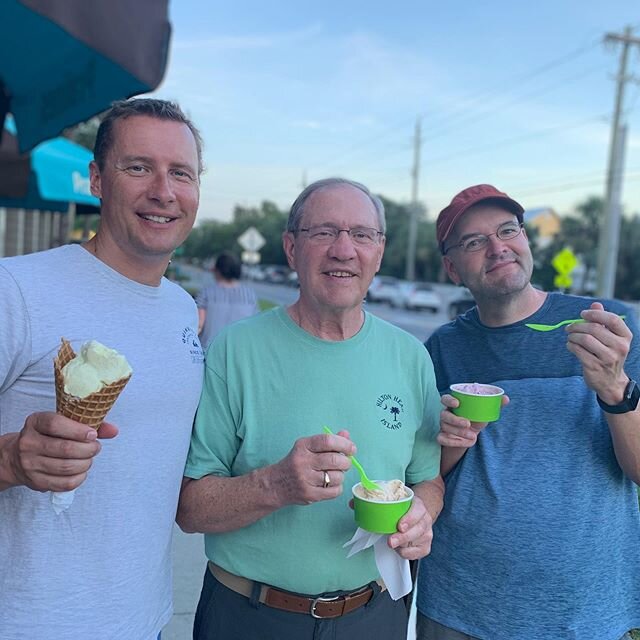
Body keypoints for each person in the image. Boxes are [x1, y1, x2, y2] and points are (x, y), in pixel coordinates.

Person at [177, 177, 445, 640]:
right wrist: (276, 484)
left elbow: (429, 479)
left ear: (378, 252)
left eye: (362, 234)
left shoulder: (409, 356)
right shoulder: (235, 350)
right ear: (290, 247)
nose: (344, 249)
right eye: (323, 232)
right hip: (248, 615)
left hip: (374, 615)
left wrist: (421, 515)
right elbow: (190, 508)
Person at [0, 98, 205, 640]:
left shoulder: (183, 309)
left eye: (180, 173)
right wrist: (9, 459)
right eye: (138, 167)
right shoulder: (16, 290)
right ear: (96, 179)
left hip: (146, 619)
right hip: (27, 623)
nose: (163, 191)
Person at [416, 184, 640, 640]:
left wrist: (615, 389)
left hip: (584, 610)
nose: (498, 248)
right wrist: (453, 442)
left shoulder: (606, 327)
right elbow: (425, 477)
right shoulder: (443, 349)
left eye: (507, 230)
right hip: (459, 607)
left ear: (526, 239)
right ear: (452, 268)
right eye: (474, 242)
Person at [196, 251, 259, 349]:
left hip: (209, 352)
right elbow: (255, 326)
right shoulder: (249, 295)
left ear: (217, 270)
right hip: (239, 352)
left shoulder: (206, 293)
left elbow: (198, 326)